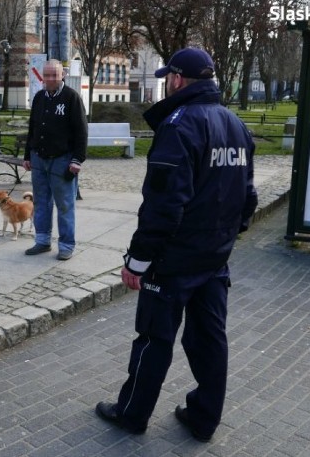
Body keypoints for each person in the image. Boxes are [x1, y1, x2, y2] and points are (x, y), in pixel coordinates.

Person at [94, 47, 258, 442]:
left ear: (179, 79)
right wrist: (228, 236)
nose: (168, 82)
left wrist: (138, 261)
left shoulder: (179, 125)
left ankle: (132, 414)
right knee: (209, 339)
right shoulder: (235, 124)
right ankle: (204, 417)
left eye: (170, 76)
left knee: (154, 338)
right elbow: (247, 196)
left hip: (174, 261)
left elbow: (164, 205)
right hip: (215, 257)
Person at [22, 59, 88, 261]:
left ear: (62, 76)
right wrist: (27, 155)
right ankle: (42, 241)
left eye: (55, 75)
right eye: (47, 75)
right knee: (41, 202)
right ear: (42, 76)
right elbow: (32, 128)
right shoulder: (40, 97)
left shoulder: (71, 98)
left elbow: (81, 131)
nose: (50, 79)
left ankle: (66, 245)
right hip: (39, 158)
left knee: (65, 204)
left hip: (63, 159)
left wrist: (77, 160)